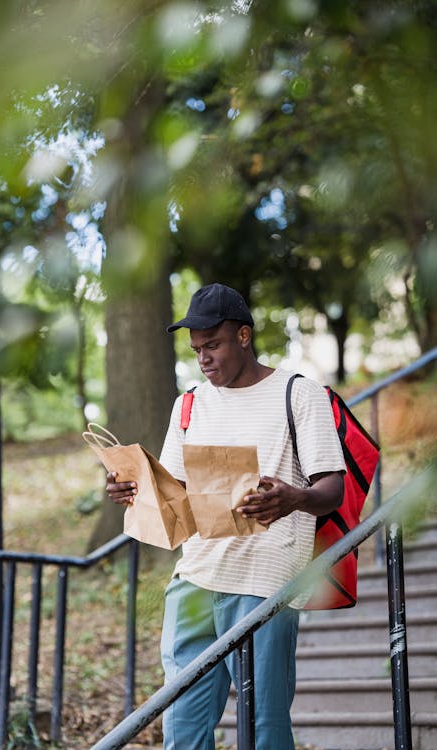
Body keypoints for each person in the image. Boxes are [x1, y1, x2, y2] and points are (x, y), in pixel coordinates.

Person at [106, 282, 346, 750]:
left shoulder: (299, 395)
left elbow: (332, 490)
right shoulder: (189, 403)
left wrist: (293, 498)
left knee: (264, 726)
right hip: (194, 580)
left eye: (212, 345)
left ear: (243, 336)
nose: (203, 359)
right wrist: (131, 490)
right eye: (196, 350)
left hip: (264, 582)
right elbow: (173, 496)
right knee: (184, 727)